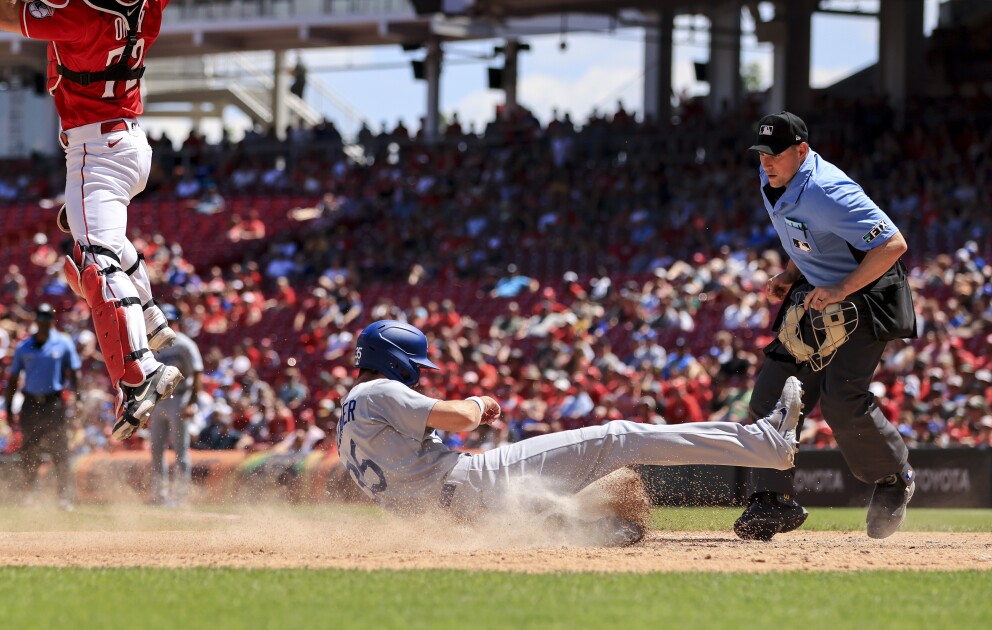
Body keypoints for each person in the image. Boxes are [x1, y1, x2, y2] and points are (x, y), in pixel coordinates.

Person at [337, 320, 805, 546]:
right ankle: (767, 442)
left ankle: (593, 532)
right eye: (415, 365)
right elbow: (459, 419)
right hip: (469, 484)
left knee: (605, 494)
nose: (417, 374)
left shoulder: (347, 415)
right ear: (396, 360)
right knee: (618, 436)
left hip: (449, 515)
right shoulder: (380, 390)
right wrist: (481, 403)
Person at [0, 0, 182, 442]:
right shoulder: (146, 6)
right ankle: (149, 318)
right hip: (130, 143)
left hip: (95, 152)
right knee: (87, 254)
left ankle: (139, 373)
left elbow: (2, 13)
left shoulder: (80, 14)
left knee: (96, 263)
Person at [736, 112, 917, 541]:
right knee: (770, 397)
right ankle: (772, 500)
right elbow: (813, 239)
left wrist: (842, 288)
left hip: (870, 291)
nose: (766, 162)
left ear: (801, 150)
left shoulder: (827, 189)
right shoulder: (774, 182)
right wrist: (794, 272)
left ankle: (894, 478)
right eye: (761, 153)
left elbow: (893, 244)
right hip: (821, 289)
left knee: (841, 400)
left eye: (775, 153)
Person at [5, 303, 81, 511]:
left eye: (48, 317)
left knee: (60, 451)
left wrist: (78, 399)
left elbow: (74, 374)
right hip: (30, 403)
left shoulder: (63, 343)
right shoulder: (24, 346)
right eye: (41, 317)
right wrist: (8, 406)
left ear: (52, 320)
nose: (44, 321)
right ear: (36, 320)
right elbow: (13, 379)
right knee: (29, 451)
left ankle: (63, 497)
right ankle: (29, 494)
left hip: (54, 403)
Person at [147, 306, 204, 506]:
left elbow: (197, 373)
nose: (168, 324)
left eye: (171, 320)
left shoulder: (185, 344)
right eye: (165, 320)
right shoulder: (155, 344)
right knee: (156, 448)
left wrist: (191, 403)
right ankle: (159, 494)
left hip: (179, 398)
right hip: (159, 399)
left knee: (180, 449)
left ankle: (181, 495)